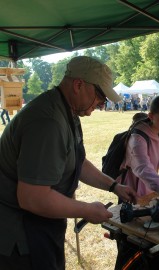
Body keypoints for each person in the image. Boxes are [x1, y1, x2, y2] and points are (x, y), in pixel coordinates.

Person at [0, 56, 137, 270]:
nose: (103, 103)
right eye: (100, 95)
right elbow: (33, 198)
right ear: (78, 85)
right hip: (20, 233)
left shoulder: (67, 110)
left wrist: (114, 186)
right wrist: (87, 210)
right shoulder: (48, 122)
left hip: (41, 224)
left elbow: (77, 161)